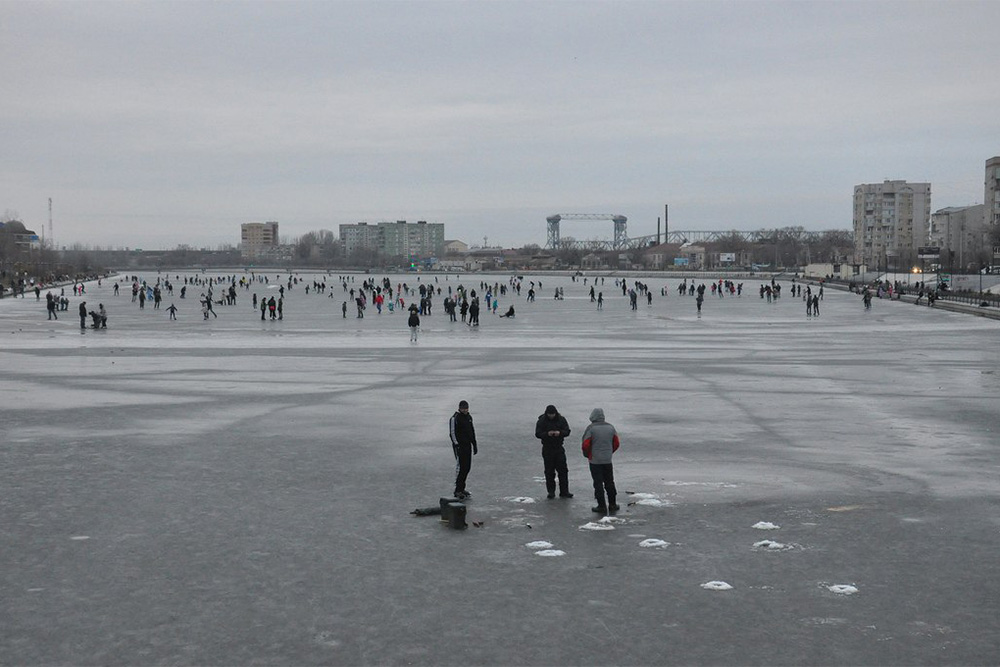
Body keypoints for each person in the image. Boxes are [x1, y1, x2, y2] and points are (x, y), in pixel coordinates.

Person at [582, 407, 620, 514]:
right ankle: (612, 504)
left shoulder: (591, 428)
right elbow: (616, 443)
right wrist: (609, 452)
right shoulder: (611, 427)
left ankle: (601, 506)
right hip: (607, 460)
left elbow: (585, 444)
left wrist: (587, 455)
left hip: (595, 460)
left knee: (598, 483)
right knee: (609, 482)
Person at [535, 405, 573, 499]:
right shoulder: (541, 420)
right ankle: (551, 492)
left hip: (559, 448)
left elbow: (567, 431)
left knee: (563, 471)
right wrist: (547, 434)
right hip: (547, 449)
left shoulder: (561, 419)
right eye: (549, 414)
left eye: (552, 414)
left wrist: (559, 433)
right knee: (549, 471)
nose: (551, 416)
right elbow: (538, 434)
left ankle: (564, 491)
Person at [449, 400, 478, 499]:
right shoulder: (455, 418)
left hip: (467, 446)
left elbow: (471, 431)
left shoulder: (469, 417)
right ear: (459, 408)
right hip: (460, 447)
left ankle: (462, 488)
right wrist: (457, 445)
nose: (465, 410)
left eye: (466, 408)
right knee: (461, 468)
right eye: (463, 408)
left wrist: (474, 444)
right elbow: (452, 433)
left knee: (467, 468)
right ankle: (457, 490)